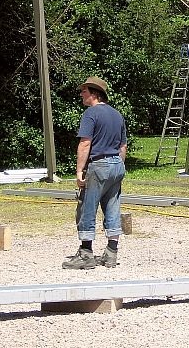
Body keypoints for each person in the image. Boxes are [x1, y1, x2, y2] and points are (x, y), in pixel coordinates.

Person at [63, 76, 127, 270]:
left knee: (87, 208)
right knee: (112, 207)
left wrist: (79, 171)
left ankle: (85, 254)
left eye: (84, 91)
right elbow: (123, 145)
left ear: (94, 93)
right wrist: (117, 166)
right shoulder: (117, 115)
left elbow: (85, 143)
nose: (81, 94)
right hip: (117, 164)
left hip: (99, 165)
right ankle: (111, 254)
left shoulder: (91, 114)